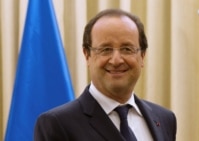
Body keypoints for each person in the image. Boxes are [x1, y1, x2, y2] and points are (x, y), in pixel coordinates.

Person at [34, 9, 177, 141]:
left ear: (142, 56)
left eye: (127, 49)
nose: (116, 60)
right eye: (106, 49)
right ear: (87, 55)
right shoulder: (57, 124)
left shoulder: (165, 119)